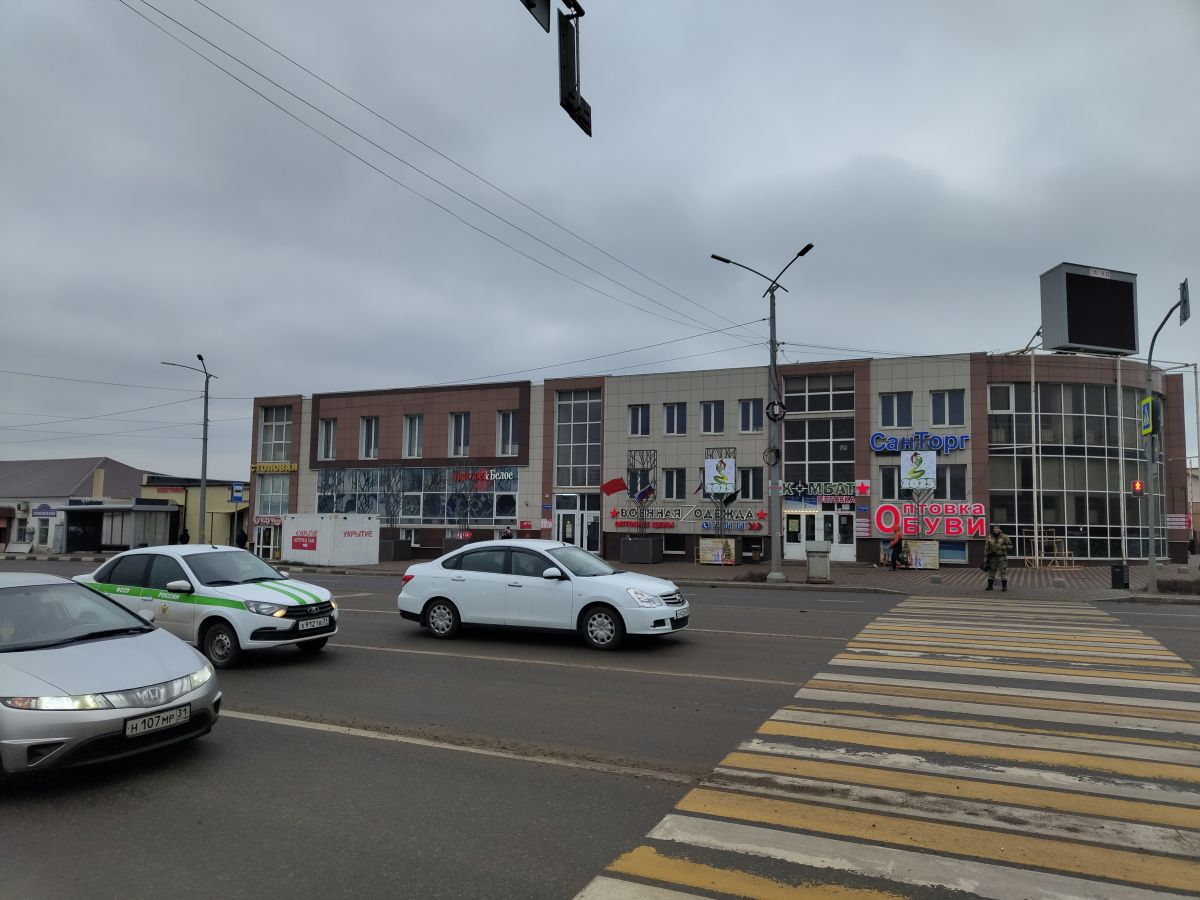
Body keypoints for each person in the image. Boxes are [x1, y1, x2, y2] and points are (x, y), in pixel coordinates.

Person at [985, 524, 1012, 591]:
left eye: (997, 528)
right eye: (995, 528)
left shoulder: (1004, 536)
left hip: (1001, 557)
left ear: (999, 529)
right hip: (992, 557)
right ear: (993, 529)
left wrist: (1002, 547)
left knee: (1003, 571)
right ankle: (990, 586)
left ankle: (1004, 587)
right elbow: (986, 547)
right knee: (991, 571)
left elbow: (1010, 546)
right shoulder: (990, 537)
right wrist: (987, 556)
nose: (996, 529)